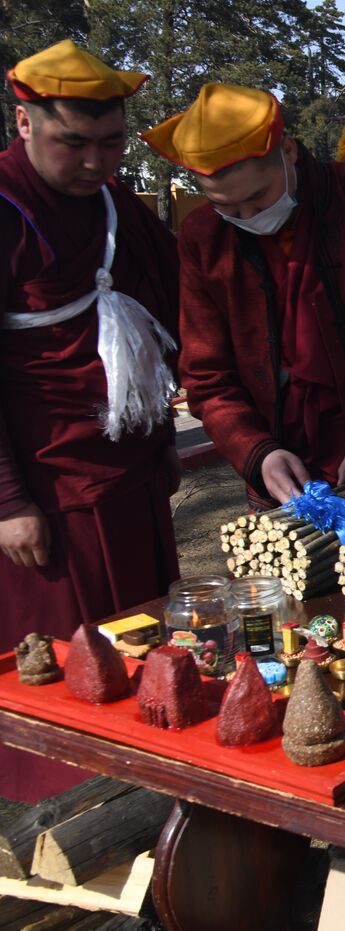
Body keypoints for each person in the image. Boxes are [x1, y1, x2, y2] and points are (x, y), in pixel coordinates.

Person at [0, 40, 181, 803]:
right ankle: (65, 814)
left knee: (151, 646)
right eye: (71, 141)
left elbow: (176, 307)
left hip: (132, 479)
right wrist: (6, 499)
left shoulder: (120, 208)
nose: (94, 162)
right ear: (23, 121)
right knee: (68, 668)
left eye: (110, 143)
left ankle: (159, 800)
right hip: (47, 488)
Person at [143, 82, 345, 508]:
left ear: (288, 151)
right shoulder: (204, 237)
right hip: (286, 475)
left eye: (257, 198)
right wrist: (255, 451)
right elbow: (205, 374)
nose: (247, 218)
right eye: (227, 208)